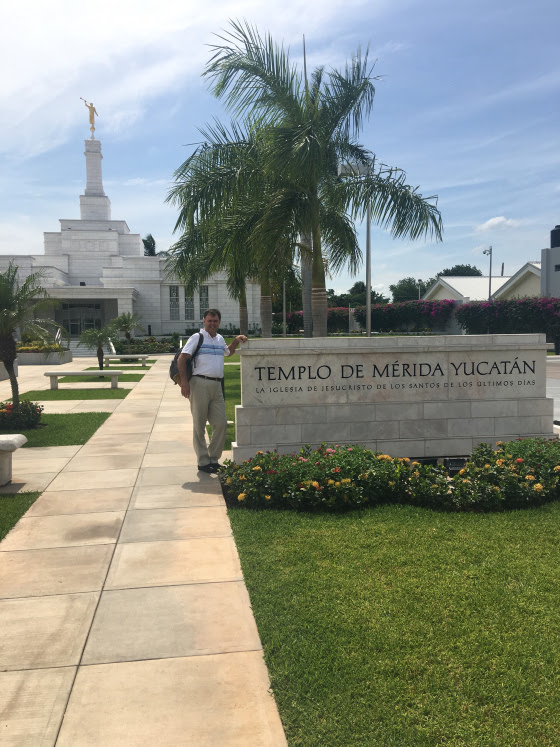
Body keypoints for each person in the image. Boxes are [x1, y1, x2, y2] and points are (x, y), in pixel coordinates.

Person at [177, 308, 247, 473]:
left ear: (219, 322)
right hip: (199, 384)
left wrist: (236, 340)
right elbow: (182, 358)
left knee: (221, 423)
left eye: (215, 321)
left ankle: (213, 458)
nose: (212, 324)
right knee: (199, 425)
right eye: (209, 321)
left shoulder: (219, 339)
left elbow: (228, 352)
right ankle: (203, 462)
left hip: (217, 386)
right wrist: (185, 382)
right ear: (204, 321)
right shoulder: (197, 337)